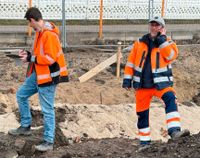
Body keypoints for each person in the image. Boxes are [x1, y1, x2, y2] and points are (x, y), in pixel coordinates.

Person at [122, 16, 190, 151]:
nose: (154, 27)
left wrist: (162, 41)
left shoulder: (168, 43)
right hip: (142, 86)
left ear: (162, 28)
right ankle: (144, 143)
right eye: (152, 24)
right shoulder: (139, 43)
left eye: (157, 25)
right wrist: (127, 80)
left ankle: (174, 131)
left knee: (170, 98)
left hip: (161, 84)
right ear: (149, 26)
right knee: (142, 114)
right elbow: (130, 63)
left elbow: (171, 56)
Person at [8, 7, 69, 152]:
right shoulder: (39, 33)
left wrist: (31, 58)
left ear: (33, 20)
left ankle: (49, 141)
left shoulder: (49, 35)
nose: (30, 26)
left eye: (30, 23)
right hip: (38, 73)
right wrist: (28, 55)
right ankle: (25, 126)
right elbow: (38, 55)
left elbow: (50, 58)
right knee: (21, 95)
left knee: (47, 109)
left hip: (48, 76)